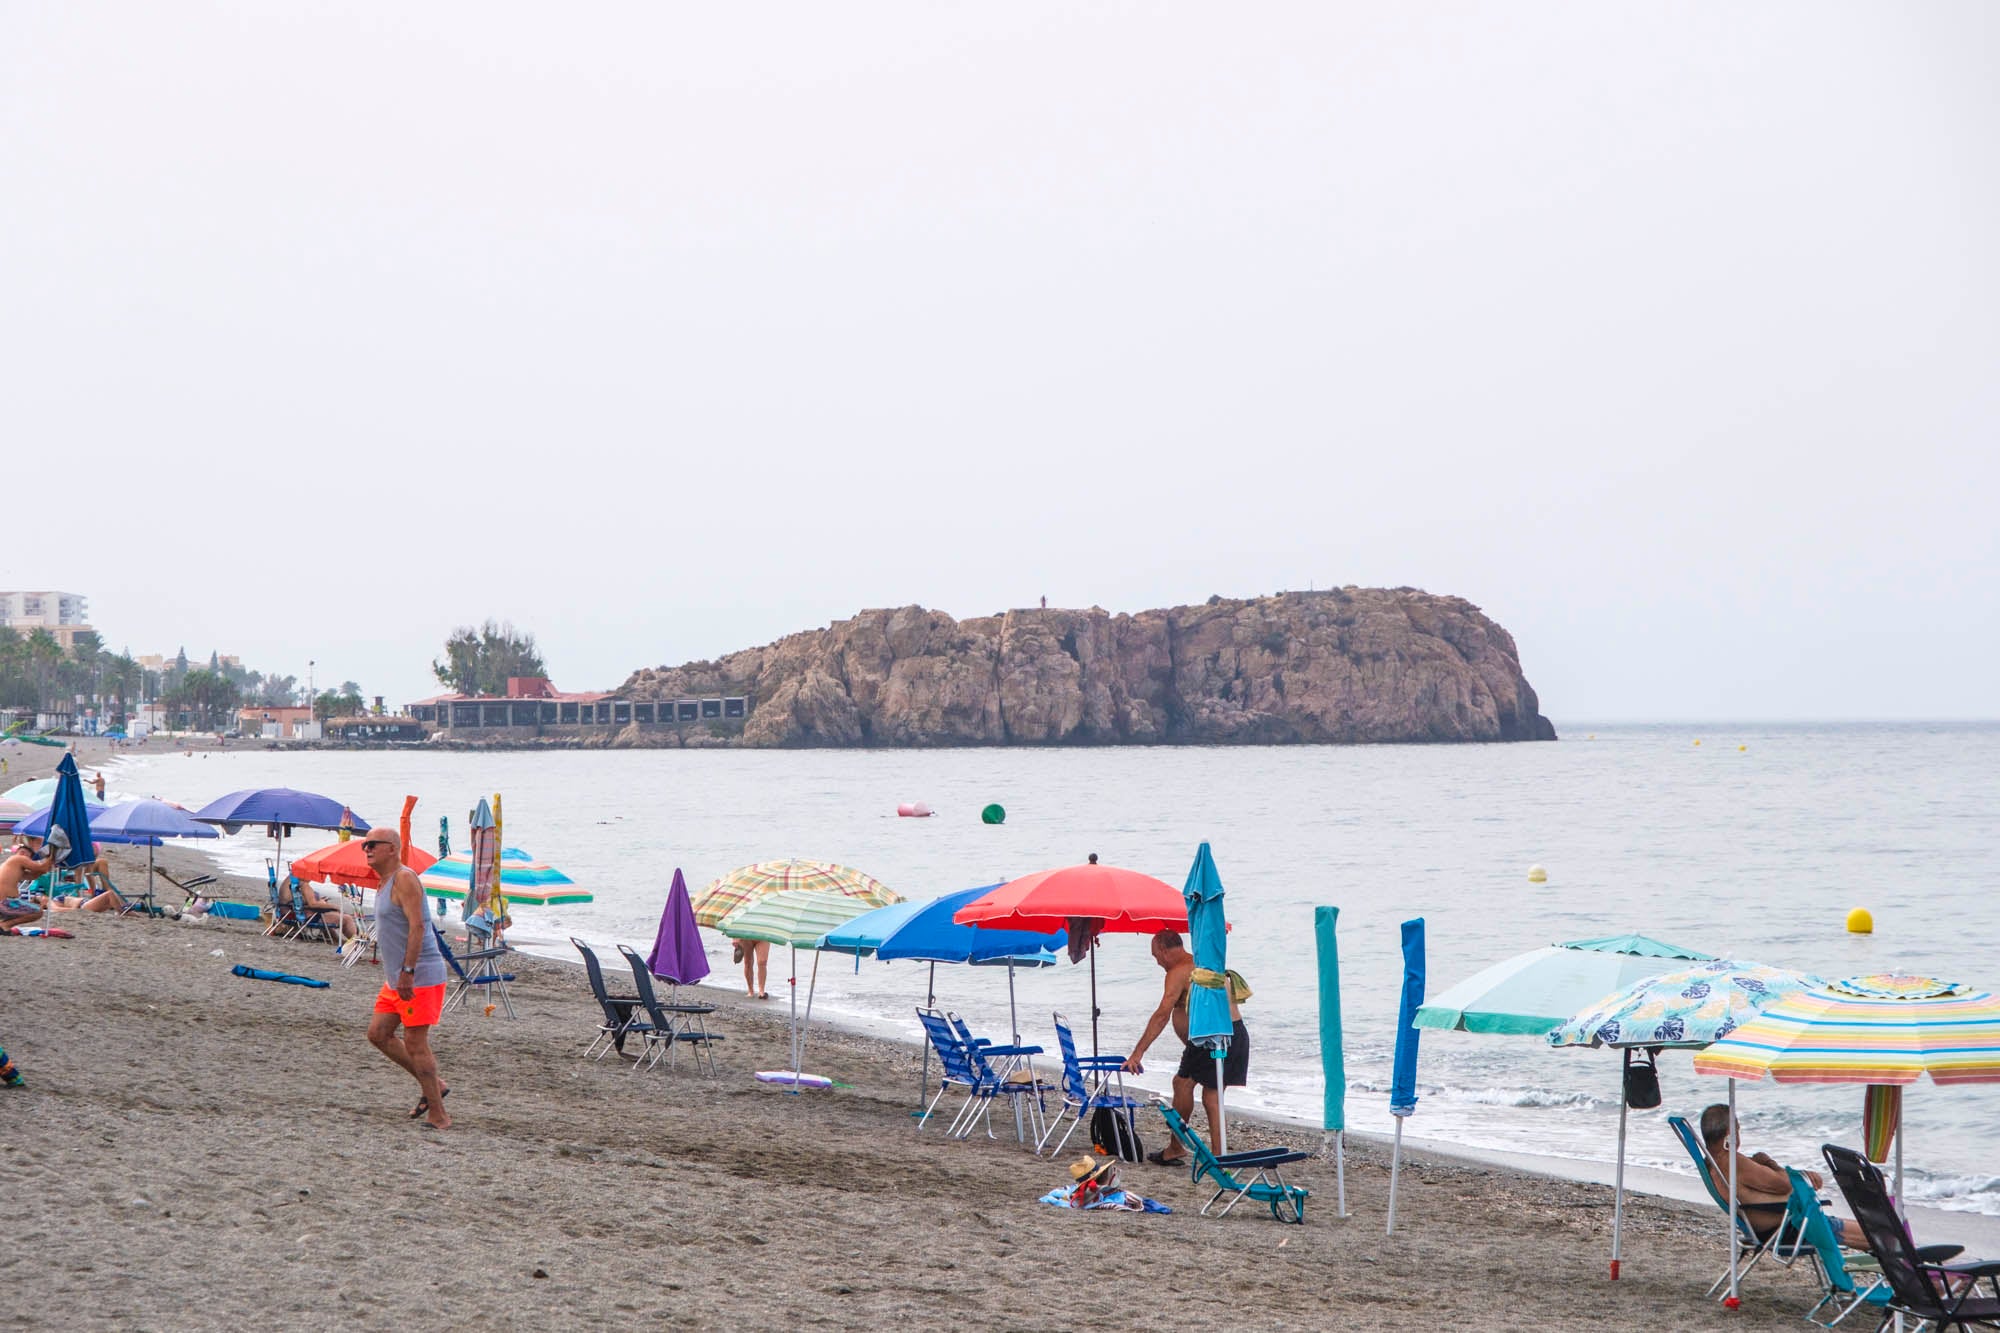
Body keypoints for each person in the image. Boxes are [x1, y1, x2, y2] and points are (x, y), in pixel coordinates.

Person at [1123, 928, 1249, 1165]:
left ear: (1164, 949)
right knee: (1211, 1096)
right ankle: (1218, 1156)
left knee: (1183, 1084)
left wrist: (1138, 1053)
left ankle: (1178, 1148)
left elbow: (1162, 1015)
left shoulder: (1178, 971)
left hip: (1211, 1037)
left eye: (1156, 956)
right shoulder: (1203, 965)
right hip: (1235, 1035)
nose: (1157, 962)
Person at [361, 830, 450, 1129]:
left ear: (392, 849)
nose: (367, 849)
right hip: (395, 979)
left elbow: (418, 927)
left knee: (415, 1043)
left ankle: (439, 1114)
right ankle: (435, 1085)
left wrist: (408, 971)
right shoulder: (383, 882)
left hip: (419, 975)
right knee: (378, 1034)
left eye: (373, 844)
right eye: (365, 845)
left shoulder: (405, 879)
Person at [1699, 1103, 1858, 1246]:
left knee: (1865, 1231)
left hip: (1766, 1229)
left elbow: (1760, 1181)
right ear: (1729, 1133)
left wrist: (1762, 1163)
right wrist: (1768, 1161)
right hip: (1790, 1228)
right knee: (1870, 1234)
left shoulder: (1712, 1163)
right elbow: (1784, 1185)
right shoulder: (1732, 1161)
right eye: (1738, 1130)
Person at [0, 842, 59, 927]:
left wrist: (48, 864)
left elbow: (33, 876)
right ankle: (4, 925)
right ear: (23, 853)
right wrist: (52, 857)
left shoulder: (11, 865)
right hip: (5, 902)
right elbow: (41, 868)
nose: (30, 860)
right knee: (37, 912)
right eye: (30, 858)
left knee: (31, 910)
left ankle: (4, 925)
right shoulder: (19, 858)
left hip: (4, 901)